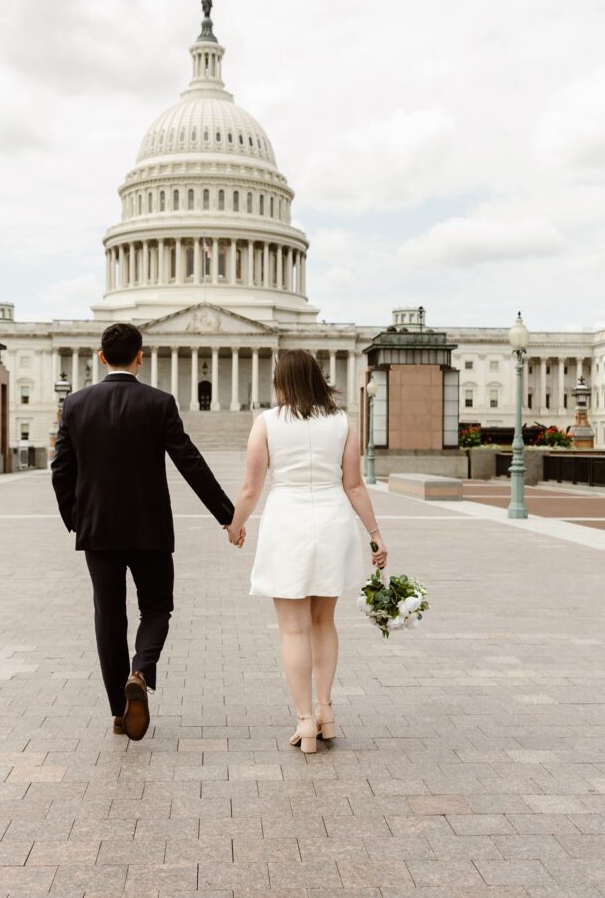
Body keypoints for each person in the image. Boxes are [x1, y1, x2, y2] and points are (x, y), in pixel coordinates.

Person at [51, 322, 242, 741]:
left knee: (108, 616)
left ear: (101, 357)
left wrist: (76, 519)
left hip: (97, 530)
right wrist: (227, 515)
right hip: (150, 528)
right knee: (156, 608)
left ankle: (119, 713)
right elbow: (189, 462)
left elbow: (61, 469)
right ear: (141, 356)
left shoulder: (76, 404)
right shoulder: (159, 403)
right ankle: (141, 670)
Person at [226, 350, 387, 753]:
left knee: (293, 628)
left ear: (281, 381)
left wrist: (236, 523)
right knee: (323, 623)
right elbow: (354, 485)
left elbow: (251, 487)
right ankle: (326, 711)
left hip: (288, 523)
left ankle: (305, 721)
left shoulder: (266, 422)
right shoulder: (342, 421)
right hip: (332, 521)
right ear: (317, 378)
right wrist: (375, 534)